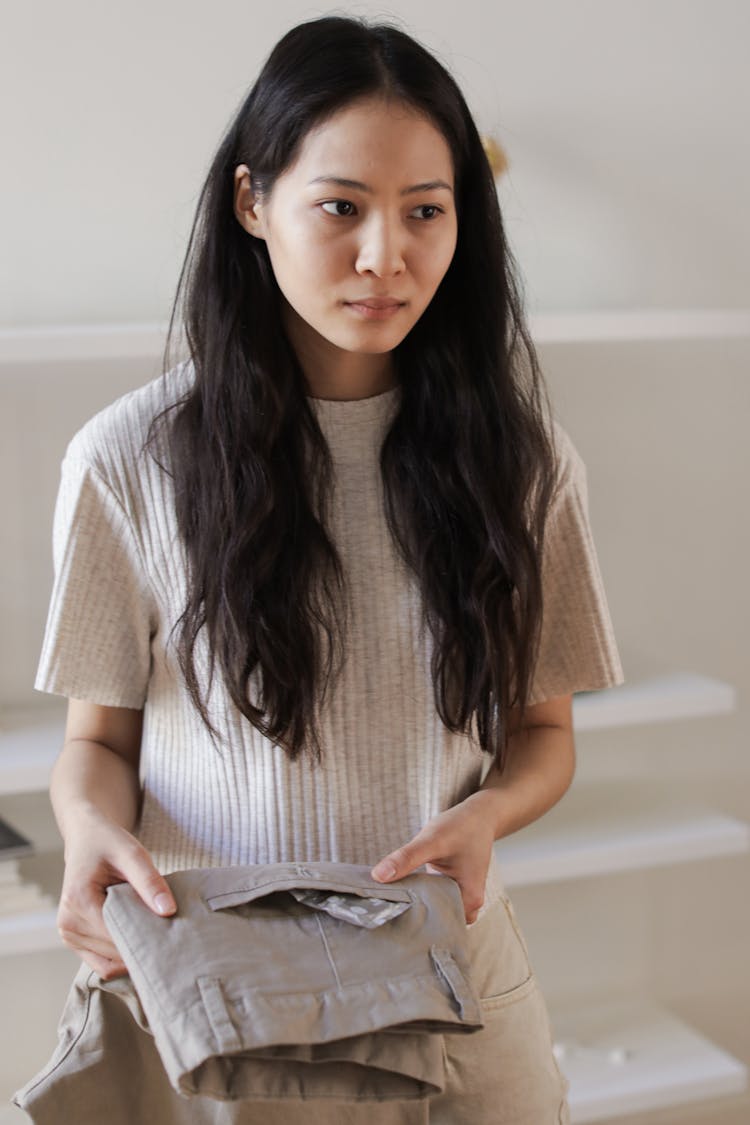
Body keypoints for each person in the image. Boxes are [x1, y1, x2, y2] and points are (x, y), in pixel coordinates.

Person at [30, 13, 623, 1124]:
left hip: (452, 975)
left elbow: (543, 737)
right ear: (254, 203)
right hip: (218, 978)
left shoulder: (524, 465)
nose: (384, 256)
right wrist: (89, 833)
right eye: (341, 207)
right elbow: (96, 746)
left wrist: (489, 814)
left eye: (426, 213)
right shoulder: (129, 460)